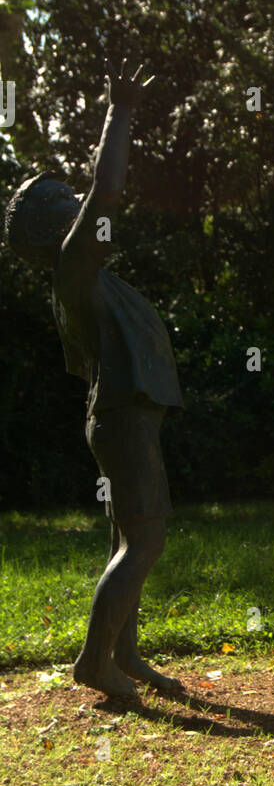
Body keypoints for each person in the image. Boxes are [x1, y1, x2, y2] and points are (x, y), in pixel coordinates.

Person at [5, 61, 184, 700]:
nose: (76, 198)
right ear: (53, 226)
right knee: (146, 539)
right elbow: (107, 194)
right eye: (63, 199)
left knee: (124, 536)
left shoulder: (84, 275)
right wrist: (122, 110)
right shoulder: (74, 264)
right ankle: (93, 661)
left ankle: (123, 653)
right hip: (122, 418)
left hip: (122, 417)